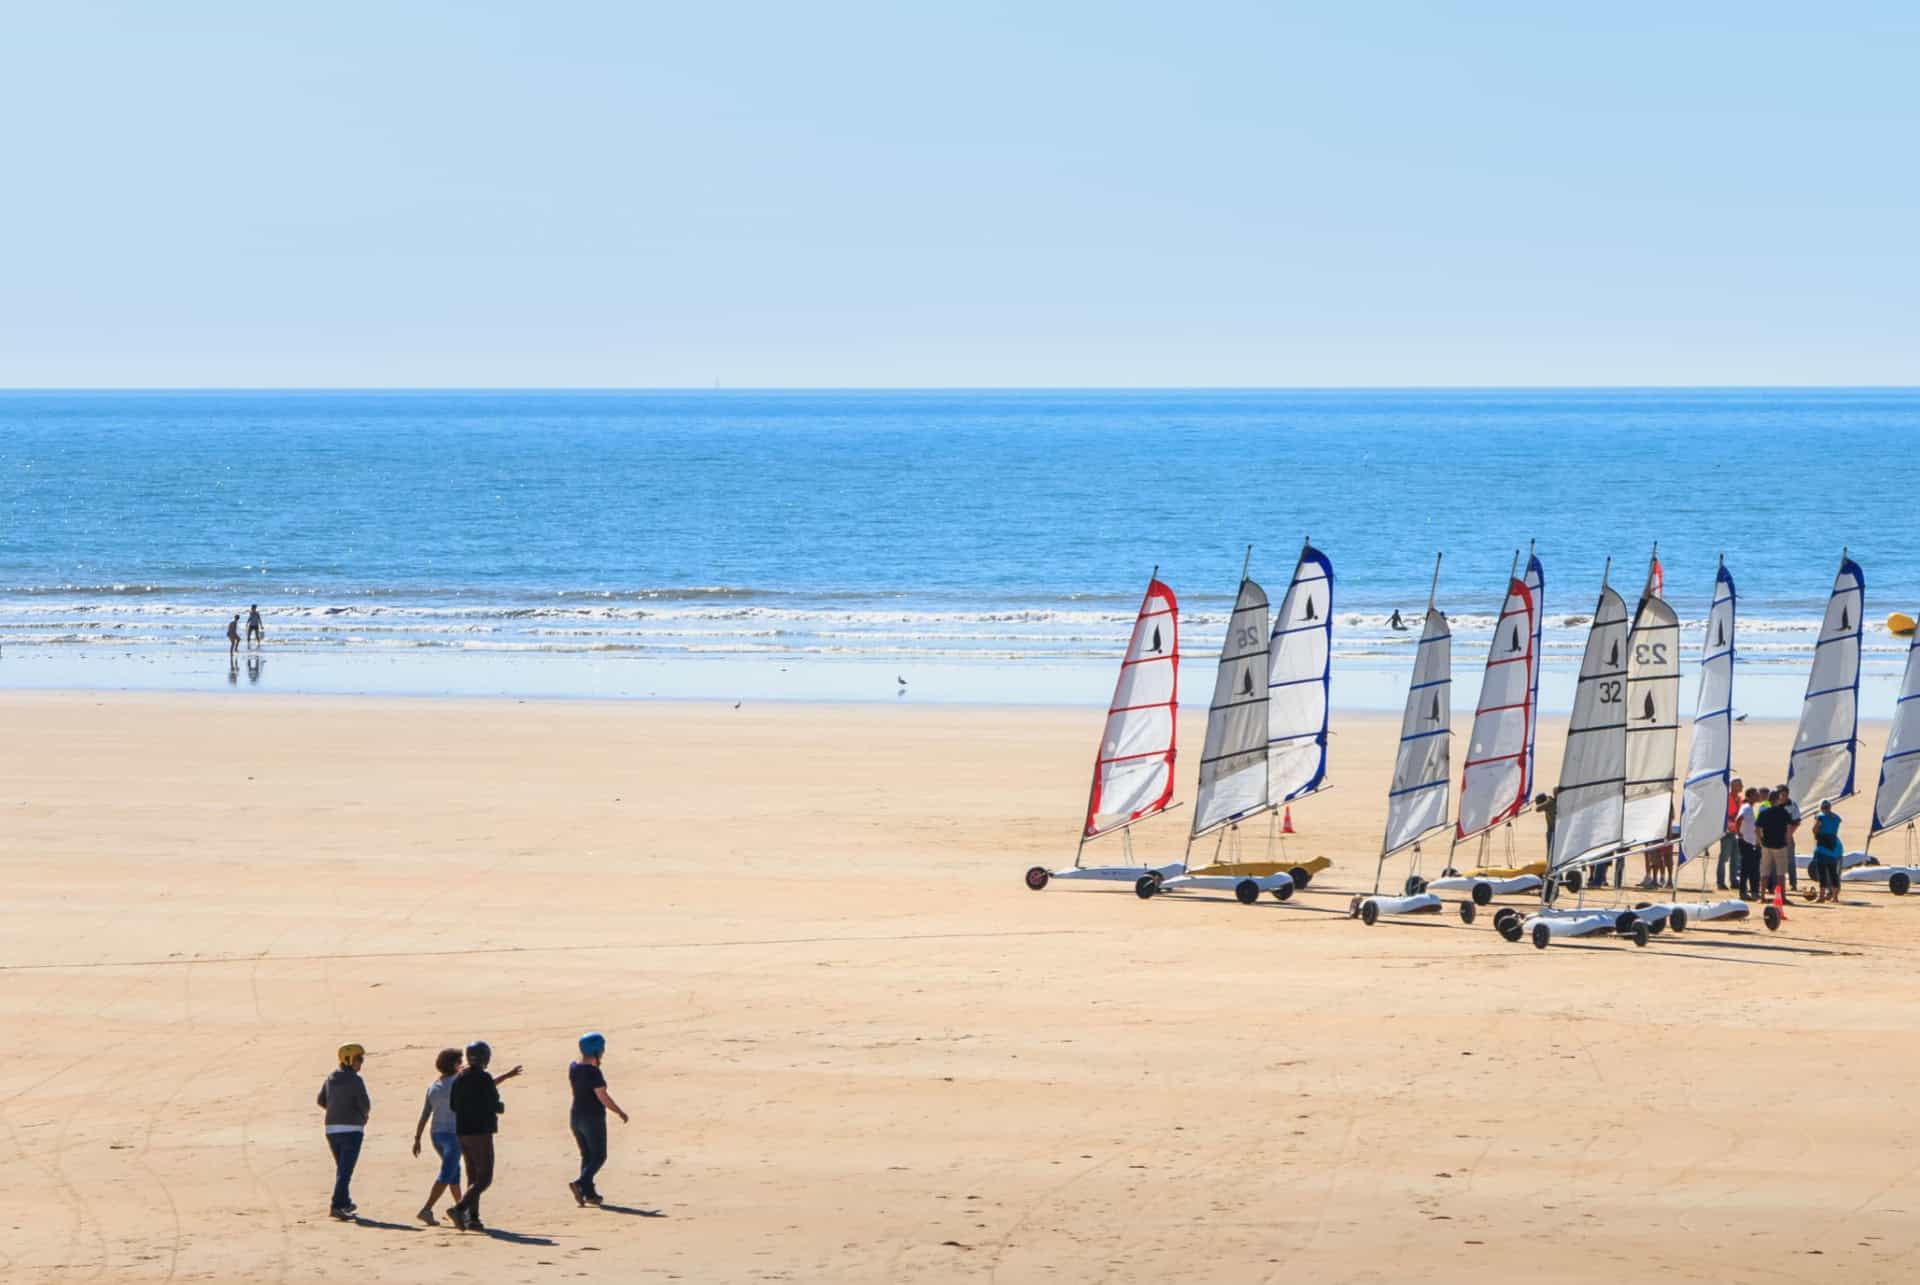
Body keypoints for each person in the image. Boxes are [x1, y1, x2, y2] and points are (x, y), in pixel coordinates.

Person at [447, 1041, 507, 1232]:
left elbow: (453, 1105)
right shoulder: (484, 1077)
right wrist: (499, 1108)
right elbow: (492, 1102)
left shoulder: (459, 1077)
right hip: (480, 1132)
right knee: (485, 1177)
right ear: (485, 1058)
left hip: (462, 1131)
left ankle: (473, 1218)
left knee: (472, 1175)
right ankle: (460, 1209)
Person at [568, 1031, 630, 1207]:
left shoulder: (573, 1067)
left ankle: (589, 1194)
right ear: (597, 1051)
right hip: (592, 1118)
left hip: (575, 1117)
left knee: (586, 1156)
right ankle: (579, 1183)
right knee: (599, 1156)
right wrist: (619, 1111)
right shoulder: (594, 1073)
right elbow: (602, 1097)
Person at [317, 1043, 370, 1220]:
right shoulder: (355, 1080)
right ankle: (337, 1205)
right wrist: (362, 1117)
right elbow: (365, 1104)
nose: (361, 1063)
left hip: (331, 1129)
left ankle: (345, 1201)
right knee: (345, 1171)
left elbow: (321, 1100)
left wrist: (335, 1110)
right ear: (348, 1060)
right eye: (359, 1059)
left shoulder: (331, 1077)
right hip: (352, 1129)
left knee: (343, 1169)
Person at [412, 1048, 465, 1224]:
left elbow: (425, 1114)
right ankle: (427, 1209)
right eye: (460, 1061)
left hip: (436, 1135)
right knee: (447, 1172)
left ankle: (460, 1208)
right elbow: (484, 1085)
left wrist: (418, 1138)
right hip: (452, 1135)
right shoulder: (458, 1082)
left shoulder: (433, 1086)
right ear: (454, 1065)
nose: (462, 1064)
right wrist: (507, 1076)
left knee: (454, 1171)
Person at [1755, 786, 1798, 899]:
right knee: (1780, 874)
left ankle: (1762, 896)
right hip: (1780, 845)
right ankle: (1781, 897)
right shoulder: (1784, 813)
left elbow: (1757, 829)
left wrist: (1761, 841)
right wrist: (1787, 841)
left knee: (1764, 872)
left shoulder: (1764, 812)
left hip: (1767, 845)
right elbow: (1789, 829)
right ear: (1778, 799)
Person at [1811, 800, 1844, 902]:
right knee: (1833, 873)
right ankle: (1835, 897)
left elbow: (1814, 829)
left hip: (1822, 848)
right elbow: (1837, 822)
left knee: (1822, 873)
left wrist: (1816, 834)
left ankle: (1821, 896)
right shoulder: (1836, 817)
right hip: (1833, 847)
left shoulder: (1820, 817)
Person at [1716, 777, 1744, 890]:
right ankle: (1720, 881)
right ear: (1733, 786)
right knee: (1724, 857)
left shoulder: (1740, 799)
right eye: (1739, 785)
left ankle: (1734, 880)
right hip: (1727, 832)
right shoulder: (1726, 798)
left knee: (1735, 858)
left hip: (1737, 832)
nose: (1742, 786)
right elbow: (1723, 814)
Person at [1735, 787, 1762, 900]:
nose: (1757, 797)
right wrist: (1739, 833)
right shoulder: (1746, 808)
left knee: (1754, 868)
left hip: (1752, 842)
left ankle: (1754, 891)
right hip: (1746, 842)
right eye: (1755, 795)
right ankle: (1743, 892)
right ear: (1749, 796)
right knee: (1746, 868)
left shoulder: (1751, 808)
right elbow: (1739, 819)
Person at [1781, 787, 1803, 892]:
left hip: (1788, 836)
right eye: (1781, 794)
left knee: (1790, 861)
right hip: (1774, 837)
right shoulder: (1773, 803)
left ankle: (1793, 883)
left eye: (1785, 794)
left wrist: (1789, 835)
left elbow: (1797, 821)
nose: (1783, 796)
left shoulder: (1792, 805)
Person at [1536, 792, 1557, 862]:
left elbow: (1538, 809)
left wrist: (1547, 800)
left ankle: (1550, 869)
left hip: (1552, 832)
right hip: (1558, 831)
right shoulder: (1557, 802)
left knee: (1551, 854)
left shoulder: (1550, 803)